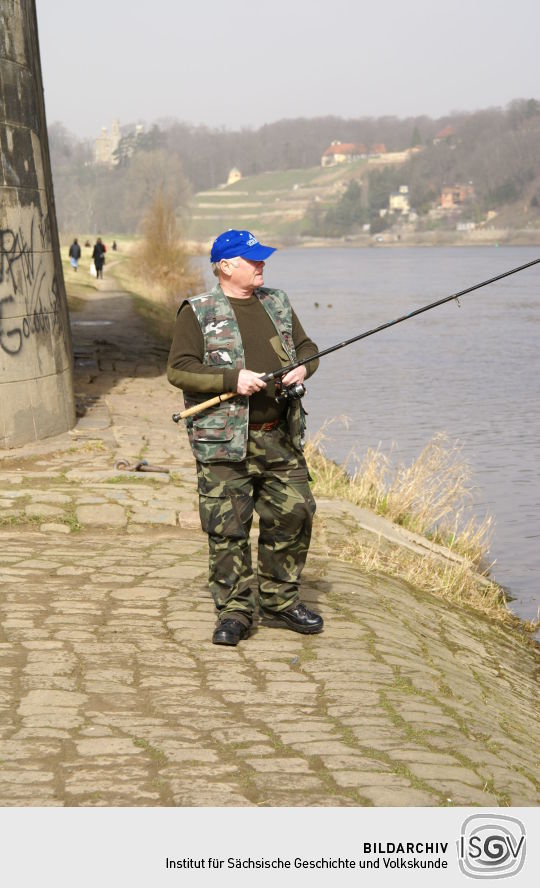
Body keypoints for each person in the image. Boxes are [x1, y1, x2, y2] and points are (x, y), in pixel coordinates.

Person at [167, 229, 324, 646]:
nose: (262, 265)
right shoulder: (197, 311)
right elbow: (179, 369)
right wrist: (231, 379)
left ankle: (279, 601)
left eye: (262, 259)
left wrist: (303, 368)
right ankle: (235, 611)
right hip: (223, 442)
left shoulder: (277, 301)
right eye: (253, 259)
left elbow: (308, 347)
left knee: (294, 514)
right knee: (228, 529)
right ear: (226, 266)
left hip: (279, 438)